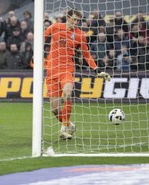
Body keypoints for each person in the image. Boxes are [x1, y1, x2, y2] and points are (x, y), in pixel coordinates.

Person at [44, 9, 111, 140]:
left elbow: (87, 55)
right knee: (55, 110)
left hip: (67, 70)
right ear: (67, 18)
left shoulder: (80, 35)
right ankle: (69, 125)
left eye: (78, 20)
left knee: (68, 93)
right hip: (52, 71)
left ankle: (63, 129)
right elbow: (42, 37)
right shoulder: (56, 27)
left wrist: (97, 69)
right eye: (74, 19)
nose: (76, 22)